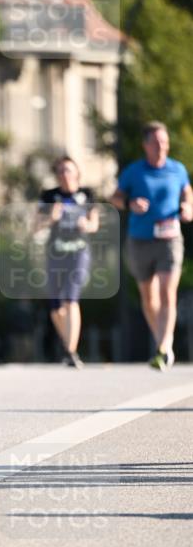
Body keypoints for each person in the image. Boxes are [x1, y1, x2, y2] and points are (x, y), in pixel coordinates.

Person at [111, 121, 192, 370]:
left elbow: (187, 191)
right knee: (149, 297)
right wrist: (130, 204)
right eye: (156, 142)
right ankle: (162, 343)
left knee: (168, 291)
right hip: (140, 240)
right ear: (145, 145)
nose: (161, 147)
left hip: (170, 239)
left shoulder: (177, 169)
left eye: (164, 142)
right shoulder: (134, 172)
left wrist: (188, 206)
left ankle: (163, 347)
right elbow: (115, 198)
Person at [37, 155, 99, 368]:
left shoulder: (87, 195)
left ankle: (70, 352)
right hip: (55, 253)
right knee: (55, 308)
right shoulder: (49, 196)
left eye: (69, 170)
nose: (65, 174)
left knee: (71, 299)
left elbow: (95, 224)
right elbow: (36, 226)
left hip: (78, 253)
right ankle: (68, 345)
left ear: (77, 173)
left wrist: (86, 225)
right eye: (61, 171)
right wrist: (50, 219)